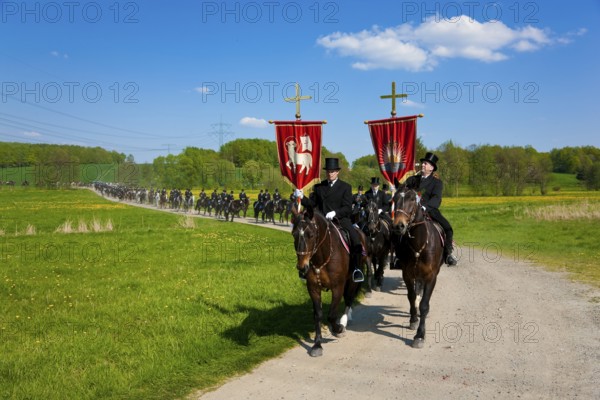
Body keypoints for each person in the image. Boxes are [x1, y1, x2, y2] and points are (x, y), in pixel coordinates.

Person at [295, 158, 364, 282]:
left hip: (340, 220)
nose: (330, 173)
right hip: (322, 221)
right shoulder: (319, 187)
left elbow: (348, 207)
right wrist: (302, 197)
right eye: (328, 171)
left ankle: (356, 269)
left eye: (332, 171)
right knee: (305, 238)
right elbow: (312, 203)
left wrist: (335, 213)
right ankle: (305, 269)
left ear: (337, 172)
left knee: (355, 239)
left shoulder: (345, 187)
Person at [405, 152, 458, 266]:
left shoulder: (437, 183)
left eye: (425, 163)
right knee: (399, 227)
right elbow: (403, 192)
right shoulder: (412, 180)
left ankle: (448, 254)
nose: (422, 165)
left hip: (430, 210)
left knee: (448, 228)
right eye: (422, 163)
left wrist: (425, 207)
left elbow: (437, 198)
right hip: (411, 211)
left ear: (431, 168)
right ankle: (399, 256)